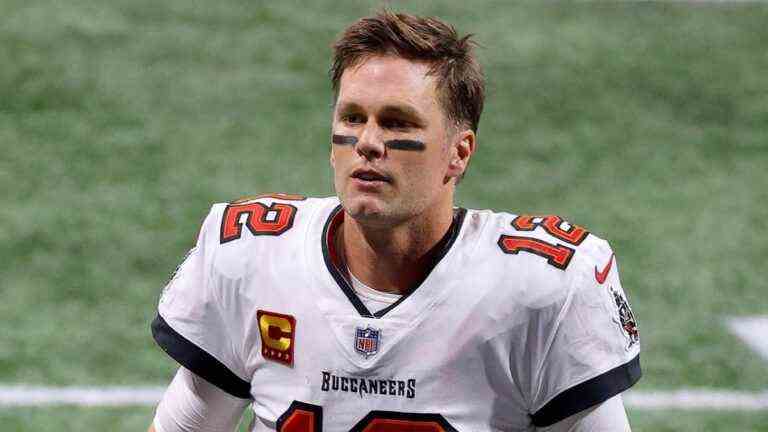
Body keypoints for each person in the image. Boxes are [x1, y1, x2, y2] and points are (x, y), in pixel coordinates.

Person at [148, 10, 641, 432]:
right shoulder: (253, 255)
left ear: (458, 152)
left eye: (397, 122)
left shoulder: (543, 288)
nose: (367, 141)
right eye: (352, 118)